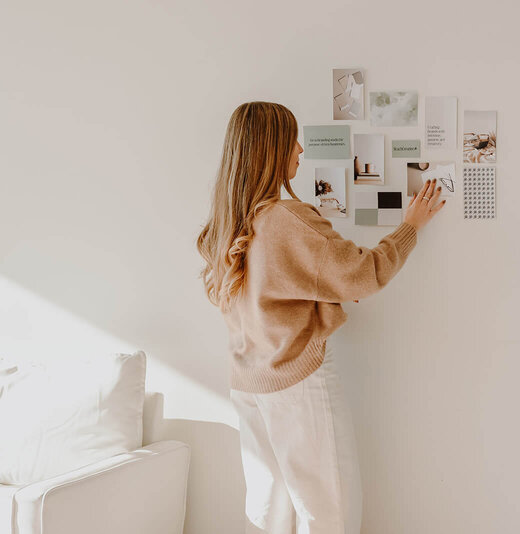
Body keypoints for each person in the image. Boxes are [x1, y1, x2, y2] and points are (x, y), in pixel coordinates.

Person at [196, 101, 445, 534]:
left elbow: (283, 288)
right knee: (329, 509)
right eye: (292, 139)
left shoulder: (229, 222)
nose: (300, 150)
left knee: (274, 512)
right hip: (297, 383)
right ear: (270, 149)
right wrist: (411, 227)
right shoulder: (285, 219)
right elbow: (363, 274)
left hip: (249, 385)